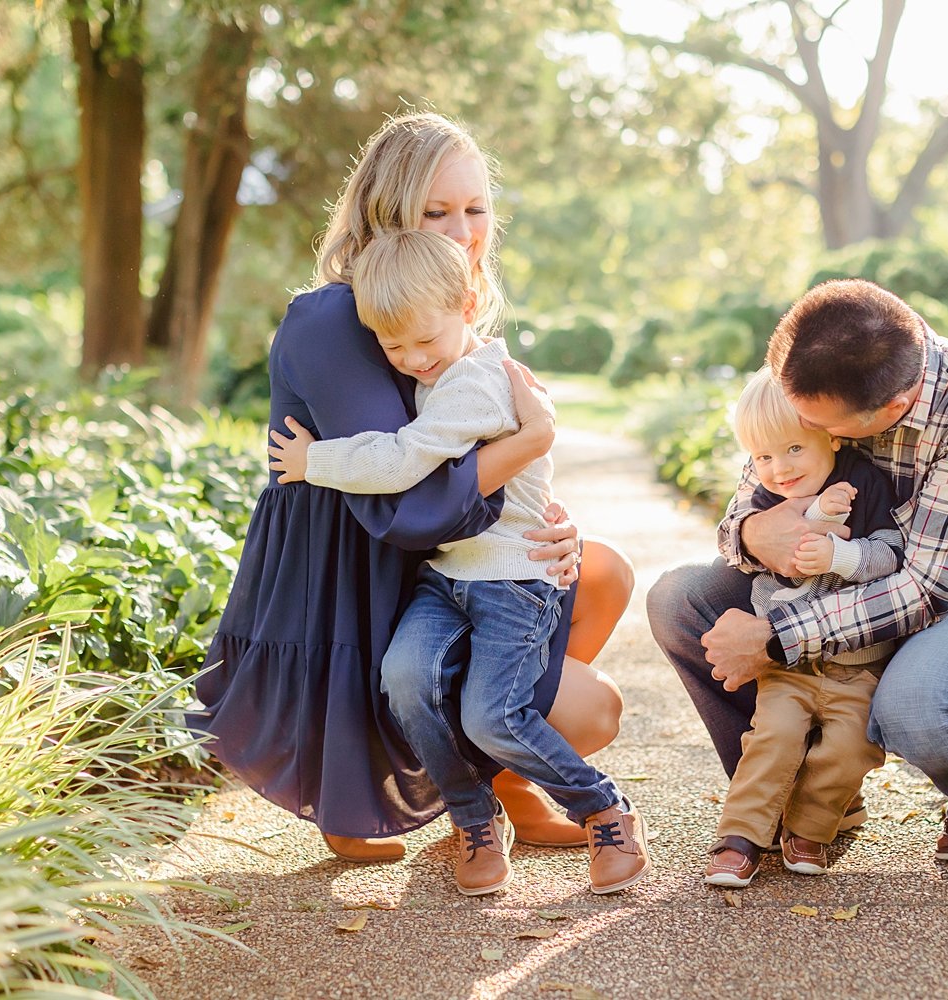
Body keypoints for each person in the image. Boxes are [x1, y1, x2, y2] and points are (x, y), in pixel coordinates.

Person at [196, 112, 633, 865]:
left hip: (440, 561)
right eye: (436, 211)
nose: (463, 230)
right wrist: (530, 440)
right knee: (591, 709)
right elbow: (403, 504)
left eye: (475, 209)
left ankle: (506, 780)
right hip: (352, 586)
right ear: (384, 209)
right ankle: (375, 771)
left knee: (602, 573)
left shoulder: (439, 306)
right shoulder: (337, 316)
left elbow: (470, 460)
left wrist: (540, 511)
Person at [269, 228, 650, 896]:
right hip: (449, 577)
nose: (413, 359)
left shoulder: (477, 386)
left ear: (469, 304)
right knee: (407, 676)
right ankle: (476, 818)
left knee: (491, 716)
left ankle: (603, 810)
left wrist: (313, 463)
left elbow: (400, 460)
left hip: (513, 581)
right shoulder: (439, 367)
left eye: (425, 341)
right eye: (393, 347)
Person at [648, 278, 948, 862]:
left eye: (829, 432)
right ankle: (797, 794)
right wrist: (750, 531)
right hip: (830, 588)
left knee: (919, 704)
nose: (815, 438)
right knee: (680, 598)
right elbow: (748, 505)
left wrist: (780, 638)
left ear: (891, 410)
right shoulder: (820, 378)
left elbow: (924, 592)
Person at [703, 367, 902, 888]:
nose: (779, 468)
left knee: (854, 747)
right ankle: (740, 837)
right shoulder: (769, 493)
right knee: (773, 735)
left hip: (857, 664)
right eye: (763, 457)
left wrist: (843, 553)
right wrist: (775, 530)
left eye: (793, 449)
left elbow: (893, 553)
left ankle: (809, 828)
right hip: (787, 663)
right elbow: (733, 536)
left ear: (830, 432)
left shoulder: (866, 482)